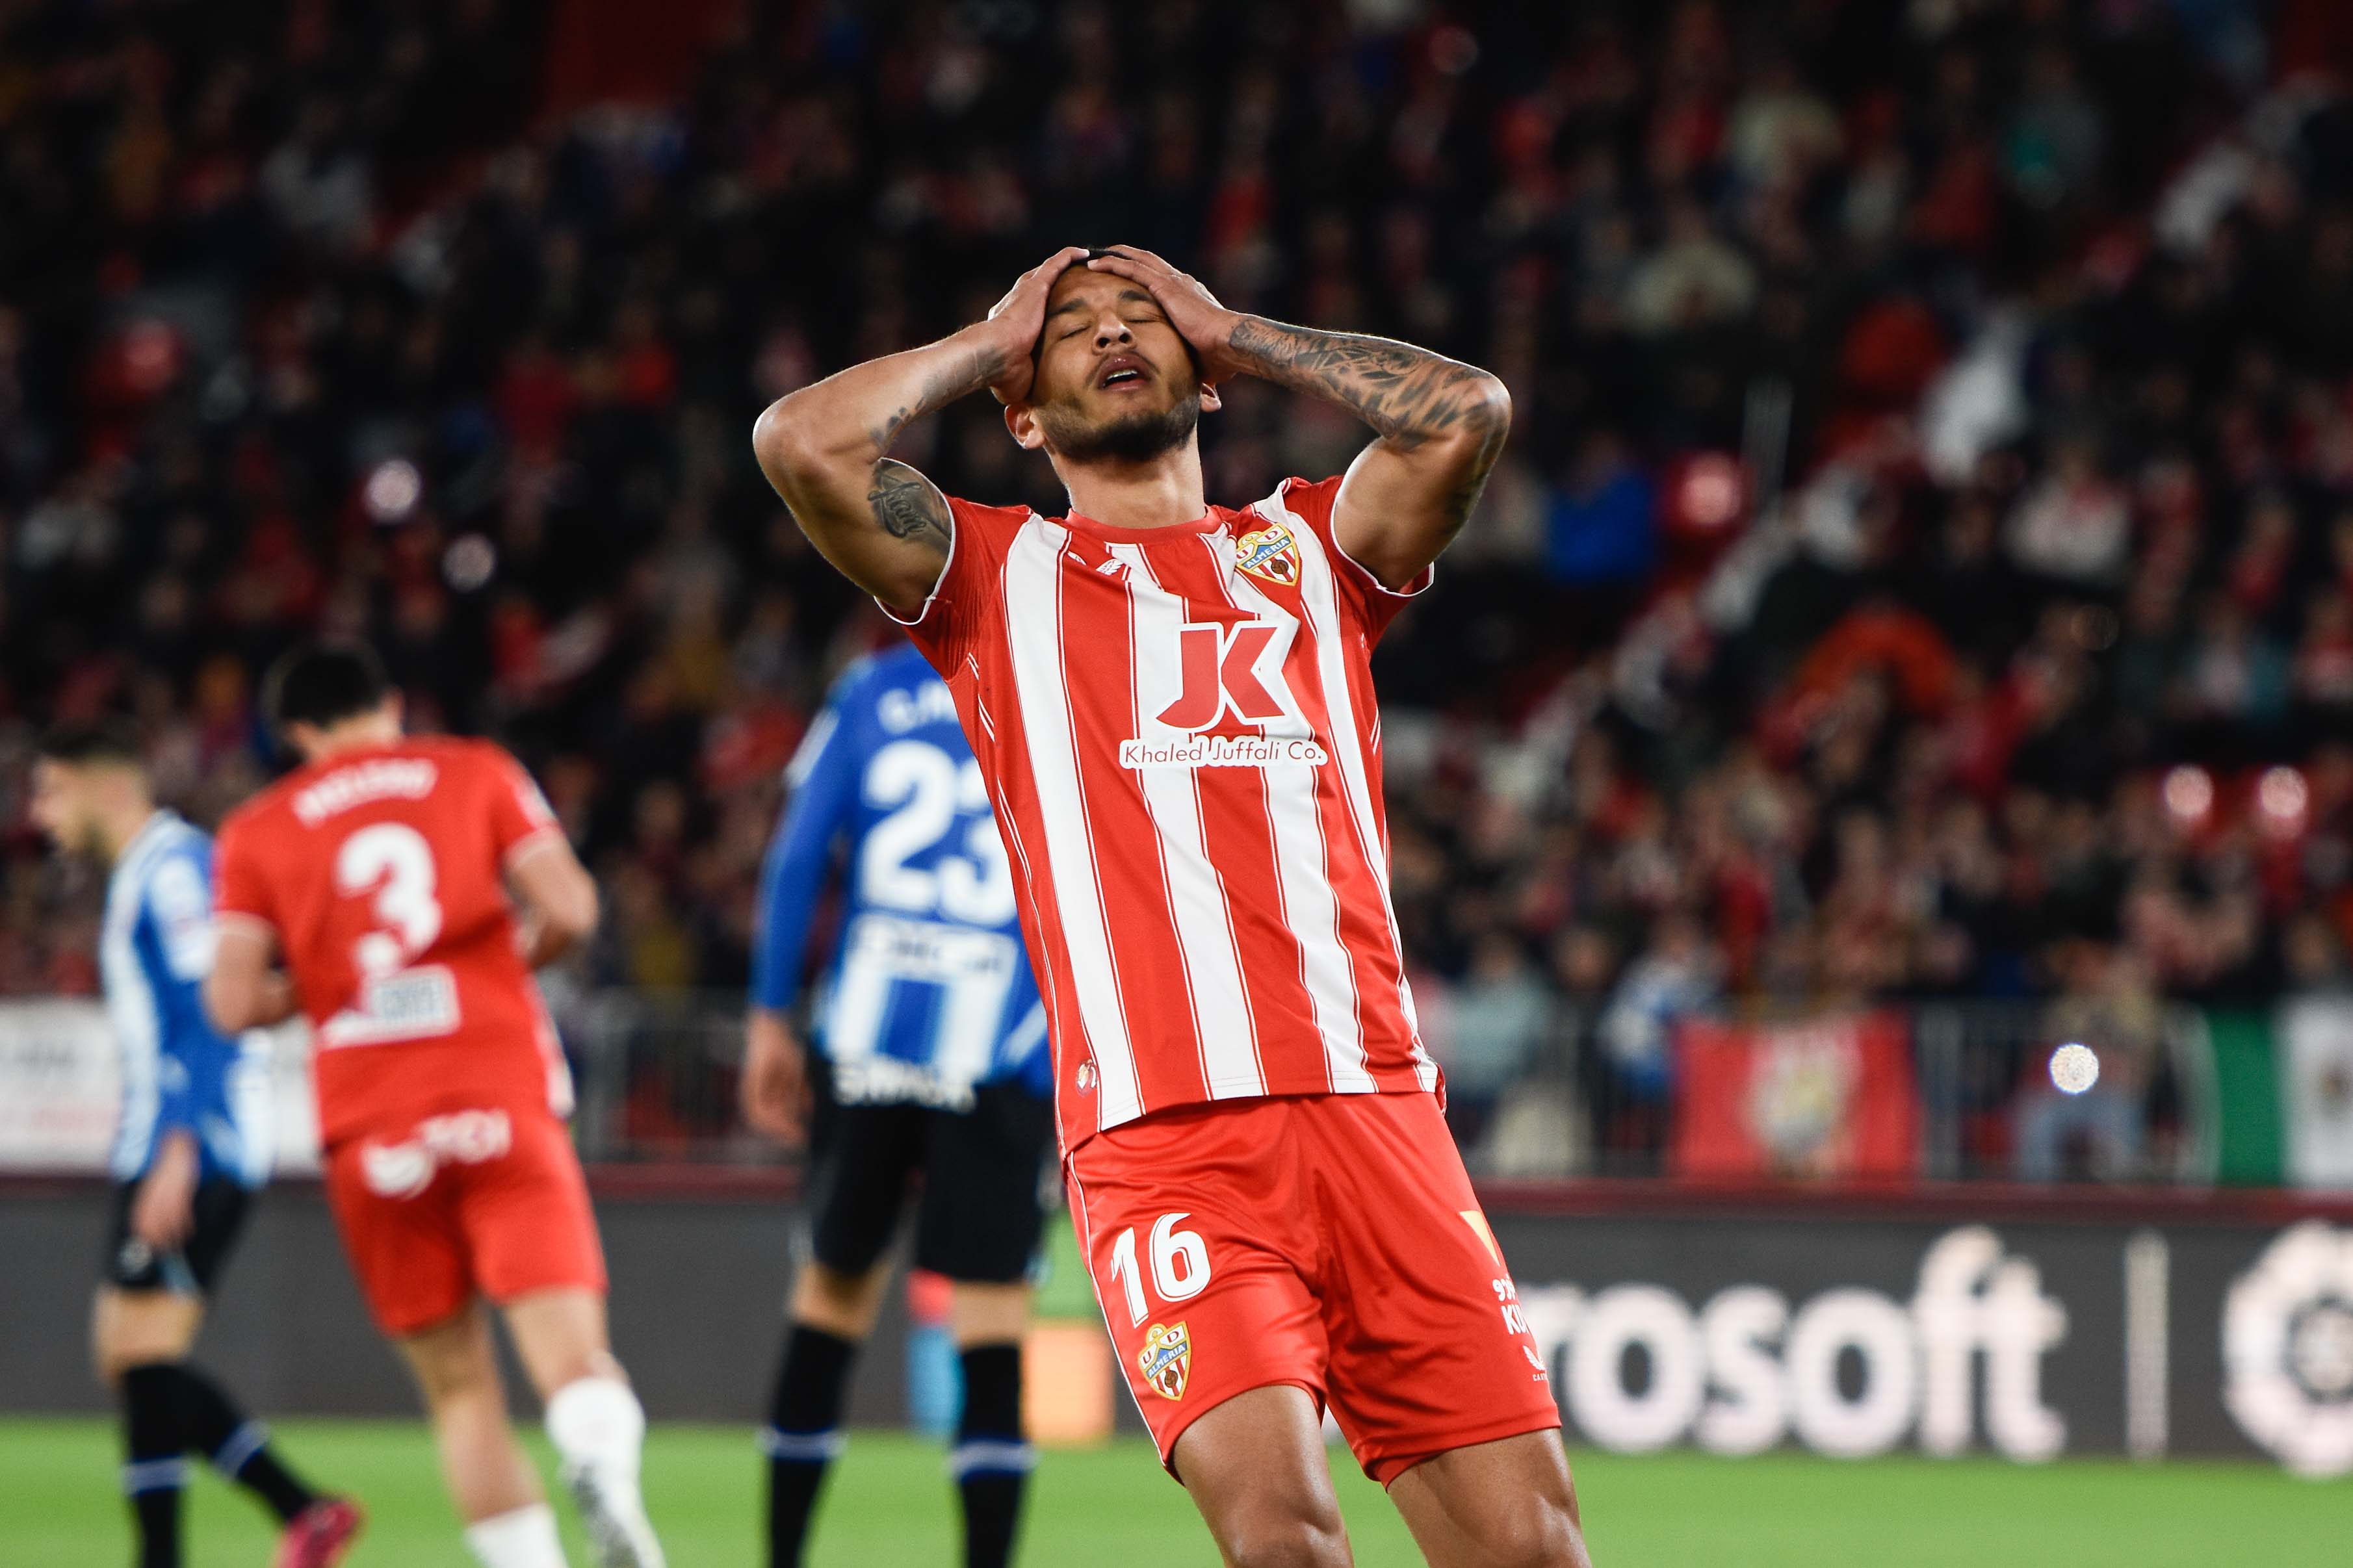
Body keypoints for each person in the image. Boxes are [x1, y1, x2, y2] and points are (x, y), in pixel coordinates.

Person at [751, 246, 1591, 1567]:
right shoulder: (990, 578)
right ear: (1024, 415)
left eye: (1140, 316)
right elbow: (800, 440)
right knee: (1284, 1541)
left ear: (1202, 379)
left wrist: (1237, 329)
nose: (1110, 334)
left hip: (1375, 1109)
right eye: (1073, 329)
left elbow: (1465, 413)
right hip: (1167, 1142)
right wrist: (991, 341)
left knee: (1532, 1549)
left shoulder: (1312, 549)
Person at [201, 644, 665, 1568]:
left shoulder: (259, 829)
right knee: (572, 1359)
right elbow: (573, 909)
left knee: (460, 1393)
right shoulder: (475, 771)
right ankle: (599, 1464)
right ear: (391, 703)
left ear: (296, 731)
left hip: (372, 1125)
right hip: (496, 1091)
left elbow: (231, 1002)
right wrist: (495, 966)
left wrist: (331, 987)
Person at [741, 637, 1054, 1568]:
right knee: (990, 1318)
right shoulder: (1056, 687)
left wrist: (769, 1016)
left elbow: (799, 854)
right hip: (1000, 1047)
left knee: (829, 1299)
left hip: (865, 1040)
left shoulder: (872, 691)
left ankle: (782, 1560)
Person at [30, 721, 362, 1568]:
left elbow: (208, 1007)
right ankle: (292, 1512)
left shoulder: (174, 869)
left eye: (53, 790)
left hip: (197, 1143)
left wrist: (177, 1149)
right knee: (131, 1355)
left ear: (109, 786)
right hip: (173, 1139)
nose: (39, 813)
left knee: (140, 1354)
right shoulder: (148, 870)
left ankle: (294, 1510)